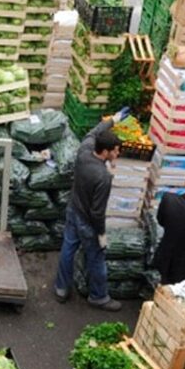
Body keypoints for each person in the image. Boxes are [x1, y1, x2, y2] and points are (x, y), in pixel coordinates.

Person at [53, 112, 125, 311]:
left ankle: (61, 288)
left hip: (73, 209)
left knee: (68, 248)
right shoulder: (103, 177)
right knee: (97, 258)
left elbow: (93, 132)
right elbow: (97, 212)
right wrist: (101, 234)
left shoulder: (84, 152)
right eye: (116, 151)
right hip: (88, 222)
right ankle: (99, 296)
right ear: (106, 152)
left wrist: (113, 120)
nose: (117, 154)